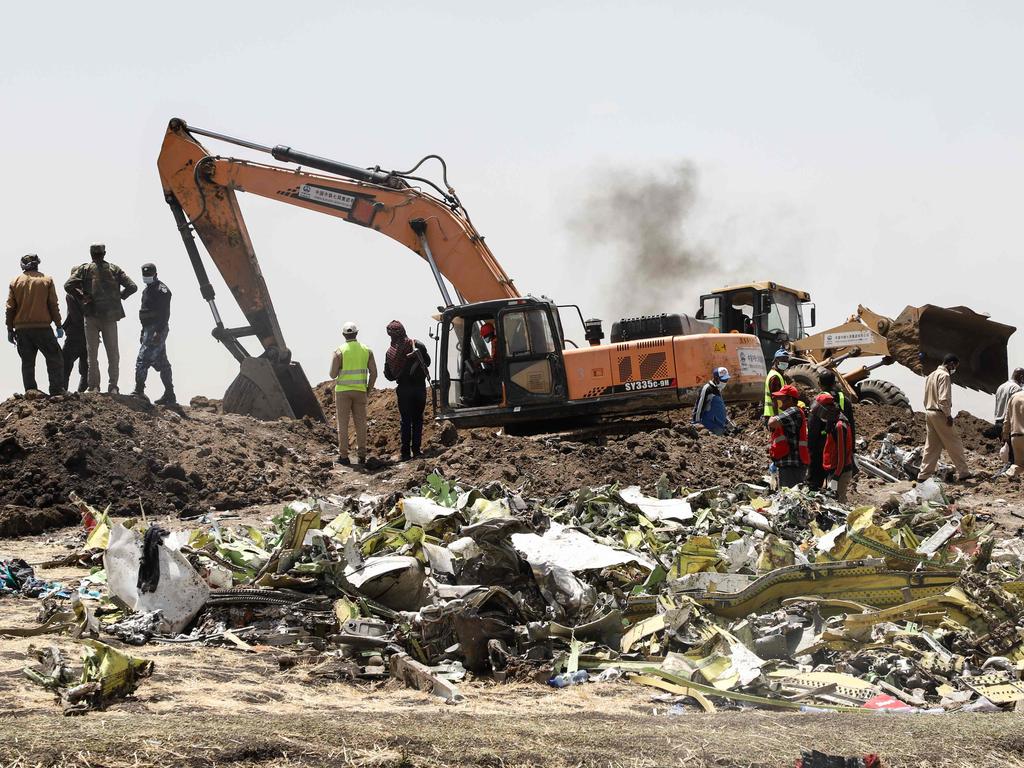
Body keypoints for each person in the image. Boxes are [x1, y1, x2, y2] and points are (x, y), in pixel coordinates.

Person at [64, 243, 137, 394]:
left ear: (91, 254)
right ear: (104, 253)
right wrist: (120, 297)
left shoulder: (84, 269)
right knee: (113, 354)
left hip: (90, 316)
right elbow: (132, 286)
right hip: (110, 317)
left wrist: (82, 296)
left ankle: (94, 387)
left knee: (92, 355)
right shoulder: (115, 269)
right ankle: (113, 386)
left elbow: (68, 285)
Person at [6, 254, 65, 395]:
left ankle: (31, 391)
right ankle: (56, 390)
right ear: (38, 264)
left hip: (22, 330)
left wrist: (9, 329)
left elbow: (10, 308)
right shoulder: (47, 280)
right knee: (55, 358)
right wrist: (58, 325)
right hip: (43, 329)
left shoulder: (15, 282)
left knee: (27, 362)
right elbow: (53, 305)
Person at [329, 321, 377, 466]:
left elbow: (332, 374)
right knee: (361, 423)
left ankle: (344, 456)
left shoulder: (339, 351)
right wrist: (368, 389)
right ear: (356, 333)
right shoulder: (366, 350)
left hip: (343, 392)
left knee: (343, 424)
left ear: (344, 335)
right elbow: (374, 373)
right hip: (360, 391)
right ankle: (362, 455)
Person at [918, 353, 972, 482]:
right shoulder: (944, 375)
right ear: (951, 364)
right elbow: (943, 399)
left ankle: (923, 475)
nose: (954, 369)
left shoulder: (931, 375)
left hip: (929, 412)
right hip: (939, 413)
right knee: (954, 442)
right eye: (955, 366)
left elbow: (926, 397)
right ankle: (964, 472)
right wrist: (948, 415)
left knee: (932, 446)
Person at [384, 320, 432, 460]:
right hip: (419, 388)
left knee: (405, 420)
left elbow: (390, 376)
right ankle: (416, 451)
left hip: (404, 389)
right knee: (418, 419)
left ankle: (405, 453)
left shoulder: (390, 353)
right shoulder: (417, 344)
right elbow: (427, 362)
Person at [131, 263, 175, 404]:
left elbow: (164, 313)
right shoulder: (146, 291)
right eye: (145, 276)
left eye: (149, 275)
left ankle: (139, 391)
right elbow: (145, 313)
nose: (146, 278)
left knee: (142, 360)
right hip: (149, 329)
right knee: (162, 363)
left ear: (155, 274)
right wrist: (143, 332)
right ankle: (170, 394)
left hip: (157, 329)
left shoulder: (162, 290)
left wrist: (159, 331)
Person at [806, 370, 856, 490]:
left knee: (815, 483)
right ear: (834, 383)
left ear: (819, 383)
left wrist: (810, 449)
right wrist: (852, 448)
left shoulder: (819, 401)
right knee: (835, 482)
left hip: (821, 445)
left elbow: (812, 427)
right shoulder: (844, 400)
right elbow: (851, 426)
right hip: (839, 444)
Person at [767, 384, 809, 488]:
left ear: (789, 399)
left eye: (780, 398)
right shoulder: (789, 413)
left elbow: (772, 423)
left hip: (793, 464)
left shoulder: (794, 411)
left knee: (790, 497)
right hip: (789, 463)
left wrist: (774, 409)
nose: (777, 400)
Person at [816, 393, 855, 502]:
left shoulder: (839, 426)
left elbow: (842, 456)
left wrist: (836, 478)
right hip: (833, 470)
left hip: (840, 473)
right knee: (831, 502)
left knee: (837, 504)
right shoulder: (832, 422)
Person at [692, 366, 735, 435]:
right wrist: (696, 423)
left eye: (726, 380)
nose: (725, 382)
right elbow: (699, 406)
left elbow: (718, 409)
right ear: (716, 378)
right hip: (709, 427)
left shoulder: (717, 390)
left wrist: (728, 423)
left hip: (718, 428)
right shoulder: (707, 388)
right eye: (723, 380)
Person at [61, 289, 89, 392]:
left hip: (75, 335)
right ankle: (81, 393)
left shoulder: (71, 295)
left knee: (65, 364)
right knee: (86, 367)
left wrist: (64, 326)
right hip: (89, 334)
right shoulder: (90, 293)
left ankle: (63, 391)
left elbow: (74, 316)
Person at [986, 368, 1024, 438]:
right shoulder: (1016, 388)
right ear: (1021, 377)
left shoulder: (1001, 387)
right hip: (1009, 425)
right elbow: (1017, 409)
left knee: (1004, 447)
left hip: (998, 423)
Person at [1001, 389, 1024, 477]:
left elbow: (1007, 420)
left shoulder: (1014, 397)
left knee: (1019, 465)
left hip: (1016, 437)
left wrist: (1005, 435)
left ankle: (1009, 474)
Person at [763, 349, 790, 418]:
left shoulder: (779, 375)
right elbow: (775, 399)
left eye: (787, 360)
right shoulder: (775, 377)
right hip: (775, 416)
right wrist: (777, 418)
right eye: (783, 360)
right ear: (776, 361)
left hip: (775, 415)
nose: (785, 362)